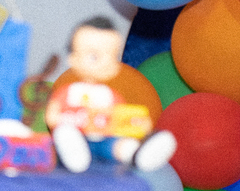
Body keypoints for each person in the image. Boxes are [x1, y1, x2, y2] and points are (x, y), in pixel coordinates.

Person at [45, 16, 176, 173]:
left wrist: (141, 125)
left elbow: (122, 119)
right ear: (73, 59)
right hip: (79, 137)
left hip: (105, 140)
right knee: (66, 133)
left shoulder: (110, 95)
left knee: (120, 144)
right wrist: (71, 119)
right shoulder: (69, 92)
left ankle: (137, 154)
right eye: (94, 56)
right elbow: (52, 116)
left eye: (112, 57)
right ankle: (74, 155)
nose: (104, 63)